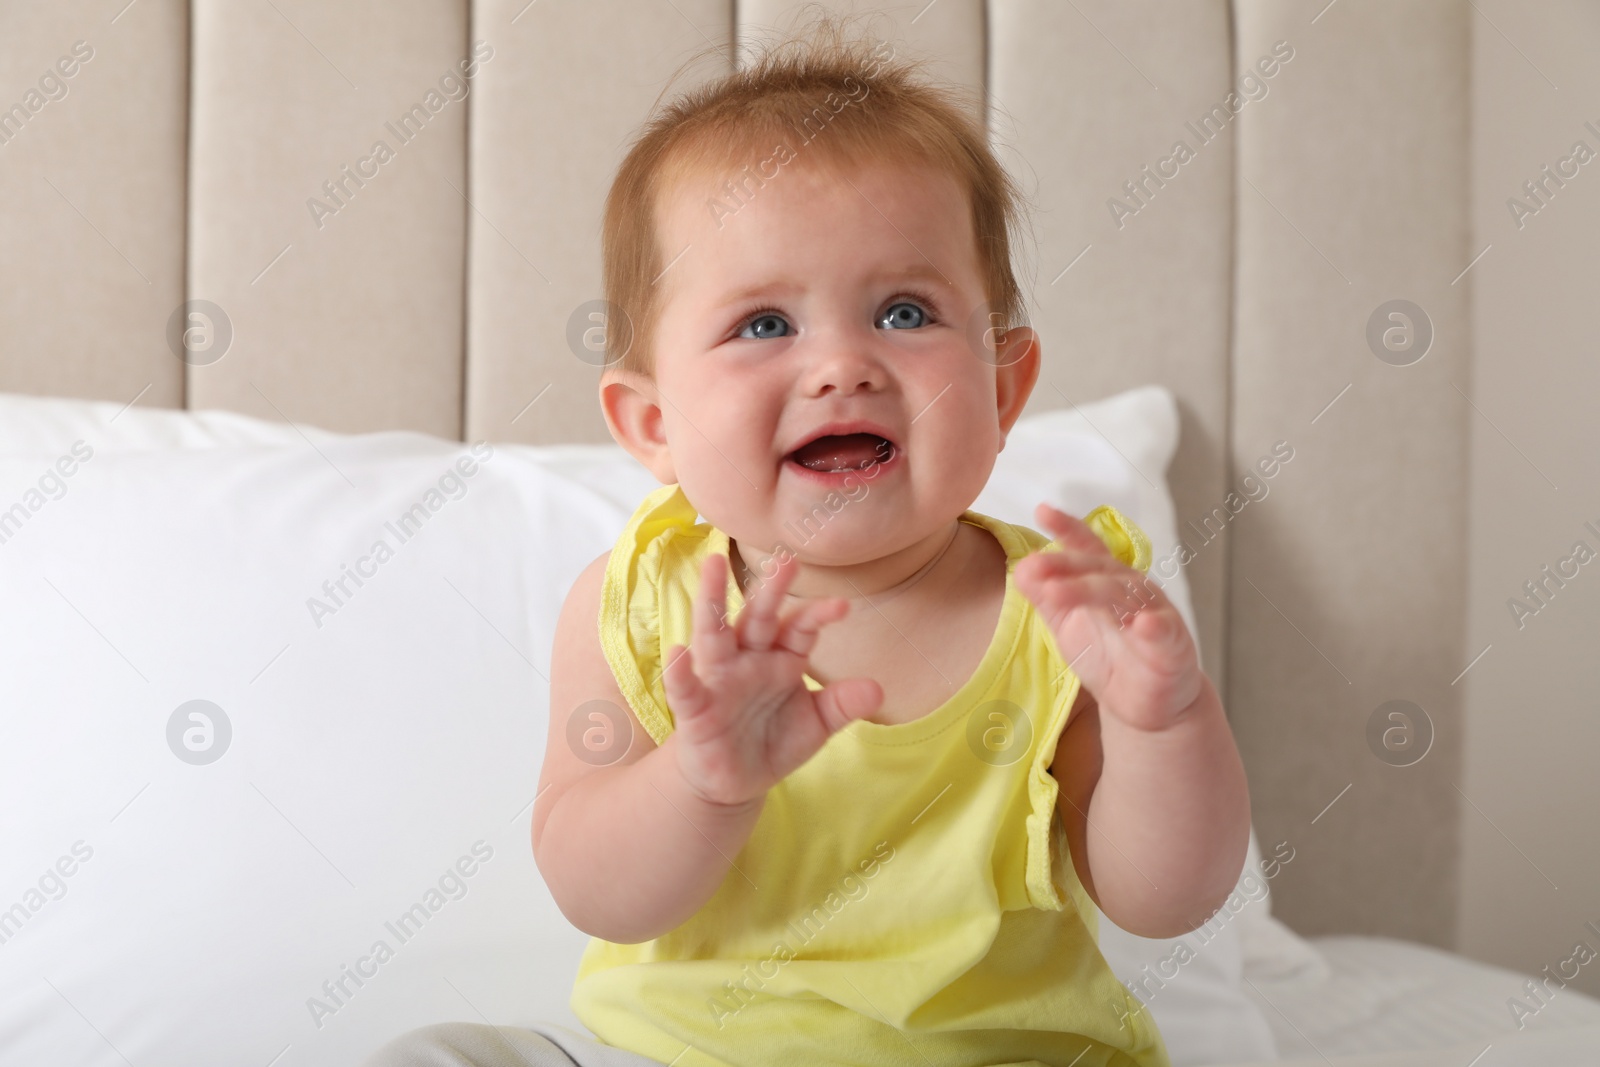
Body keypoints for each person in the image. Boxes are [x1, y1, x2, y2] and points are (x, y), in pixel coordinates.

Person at [363, 12, 1249, 1067]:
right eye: (765, 326)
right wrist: (702, 777)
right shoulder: (639, 605)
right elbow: (596, 891)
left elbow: (1162, 899)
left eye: (906, 312)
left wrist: (1166, 723)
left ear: (1004, 386)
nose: (842, 365)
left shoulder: (1058, 610)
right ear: (654, 426)